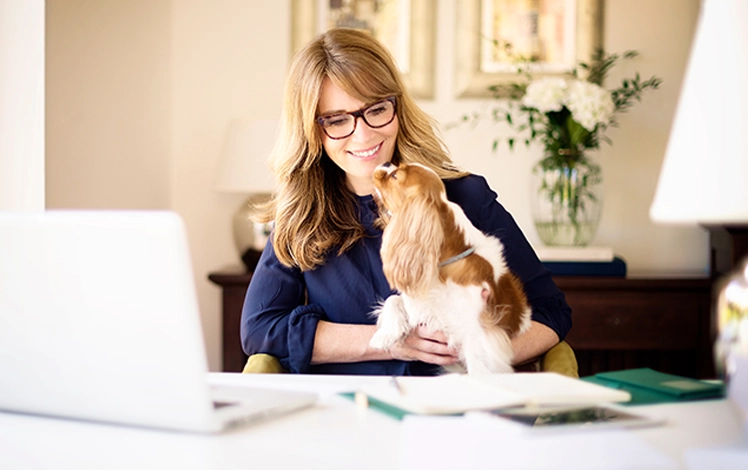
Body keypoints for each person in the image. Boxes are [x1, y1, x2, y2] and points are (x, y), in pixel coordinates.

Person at [240, 28, 572, 375]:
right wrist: (387, 341)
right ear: (311, 130)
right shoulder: (302, 219)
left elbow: (551, 313)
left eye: (377, 109)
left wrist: (474, 354)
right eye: (337, 120)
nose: (365, 134)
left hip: (451, 415)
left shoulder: (465, 198)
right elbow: (260, 330)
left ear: (397, 106)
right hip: (347, 415)